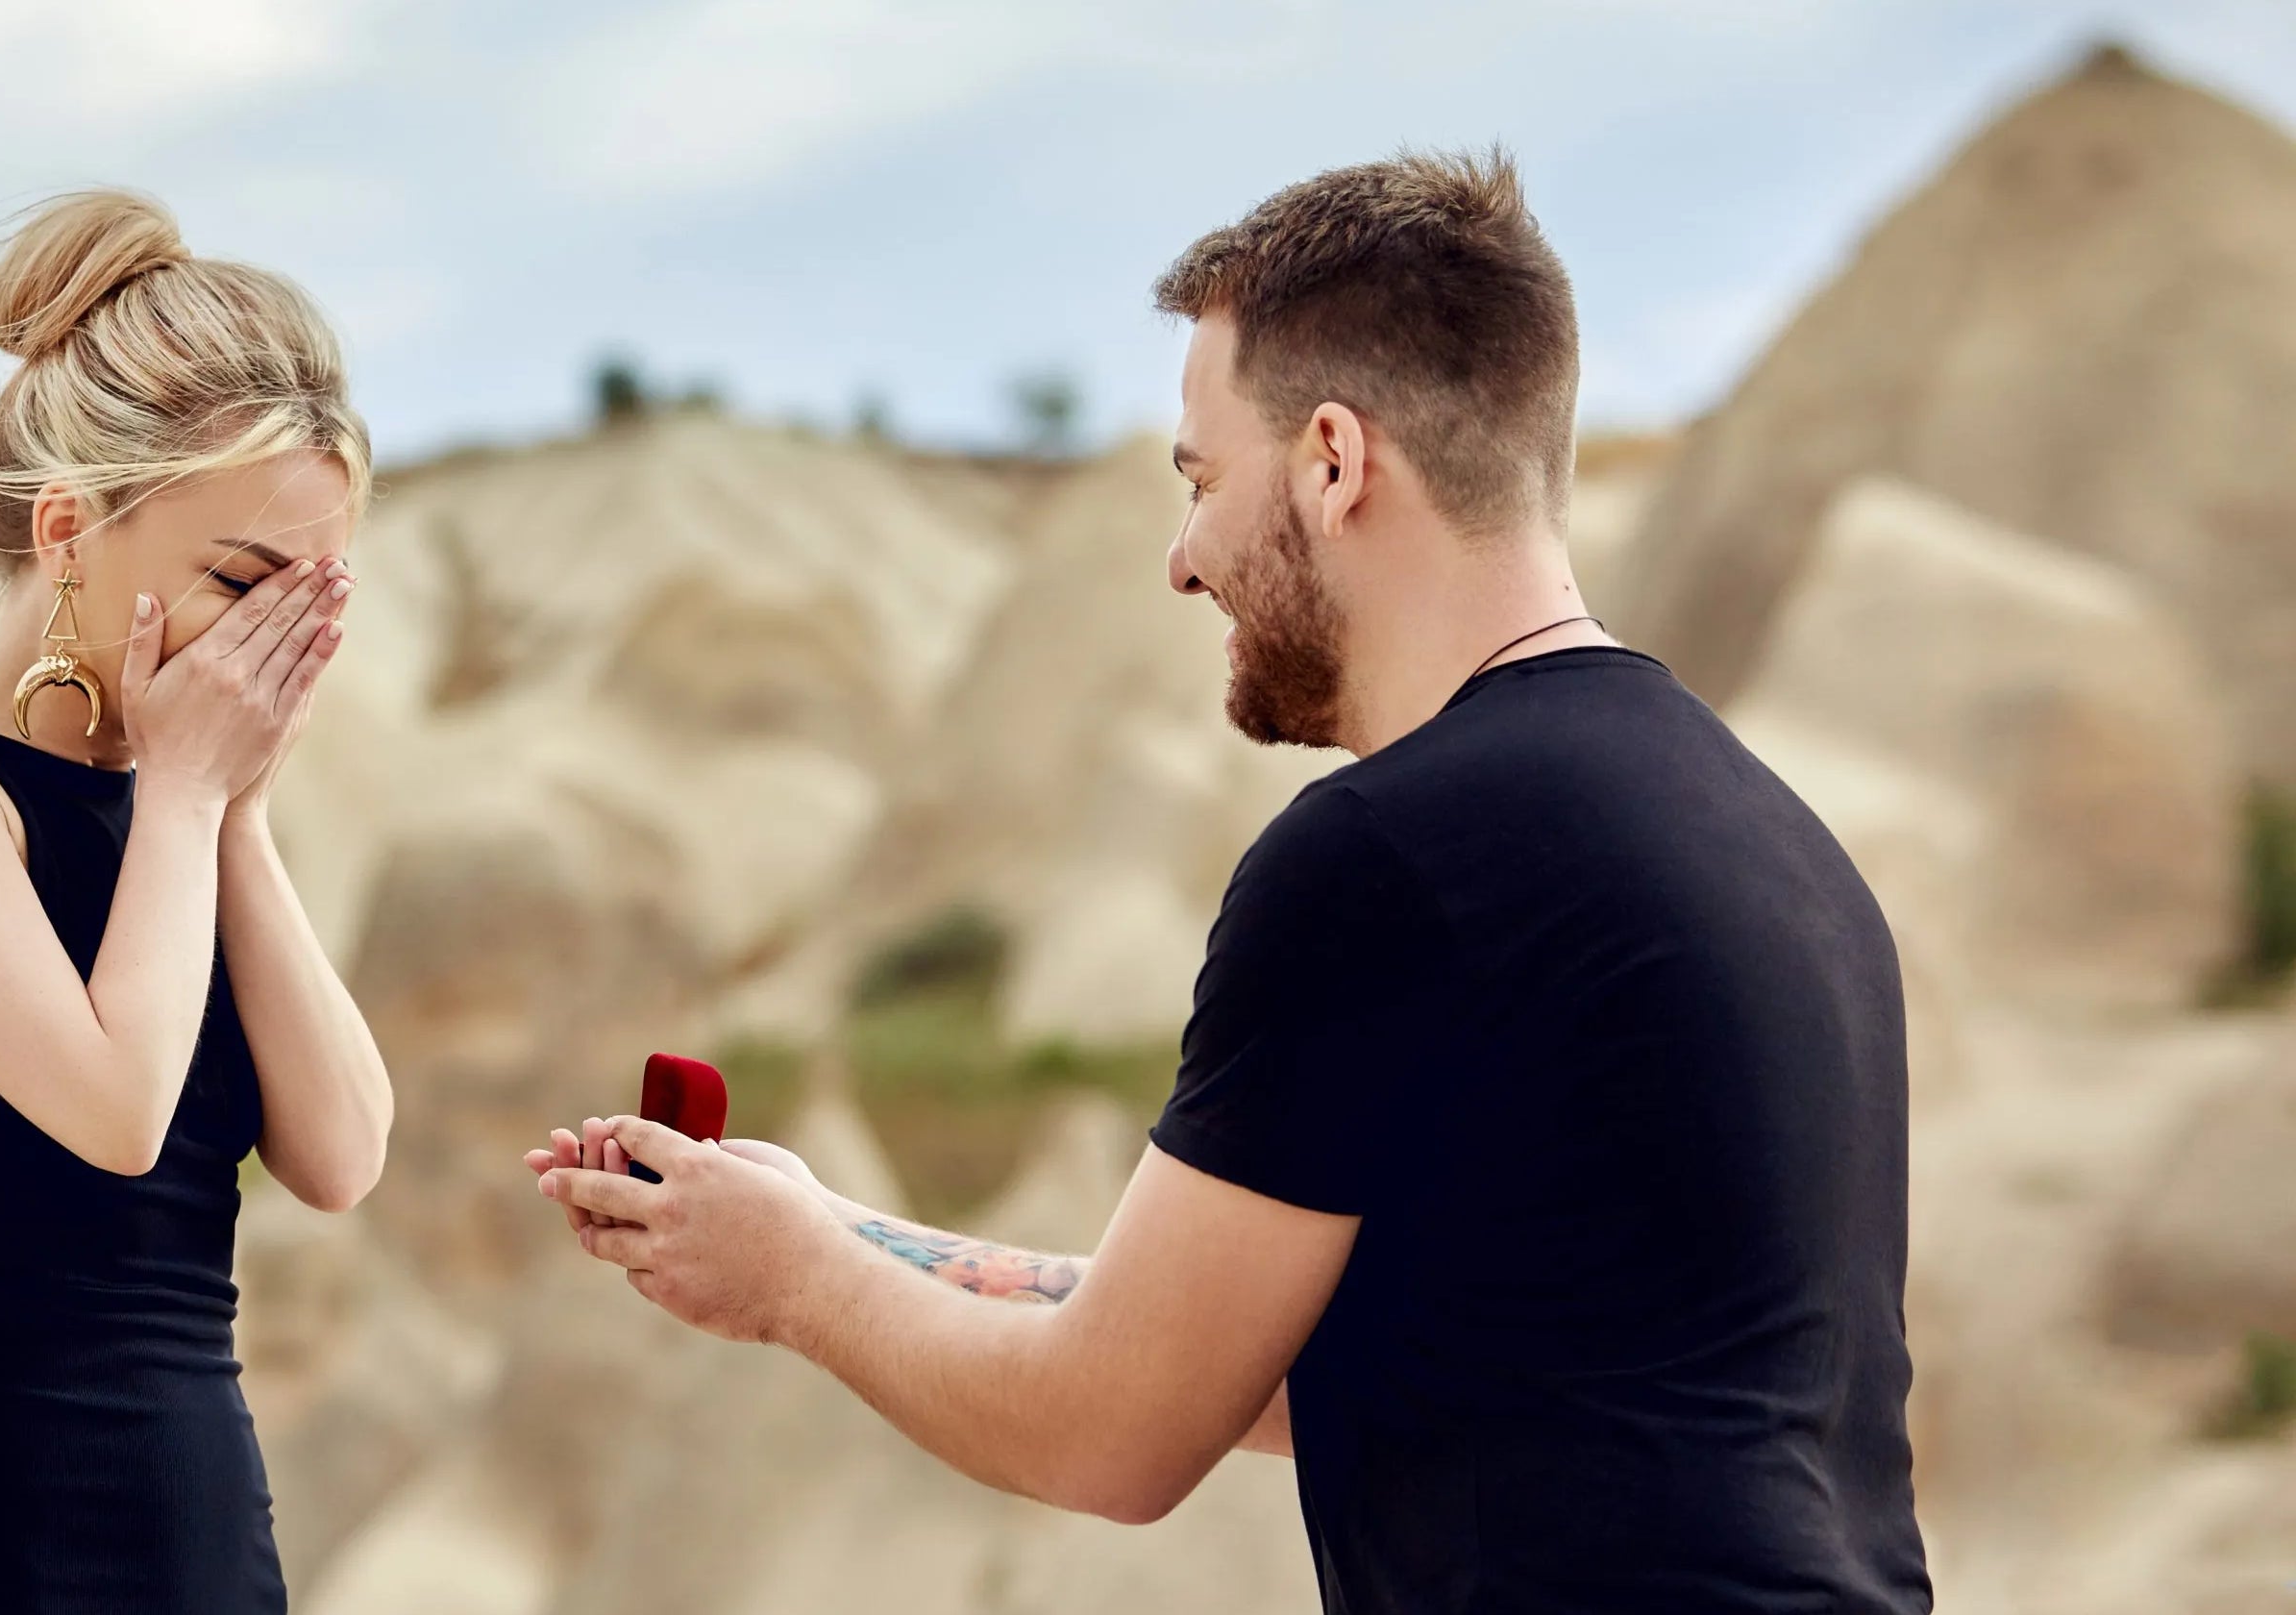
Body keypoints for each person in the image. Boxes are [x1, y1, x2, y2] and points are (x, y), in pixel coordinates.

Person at [531, 149, 1932, 1614]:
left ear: (1334, 461)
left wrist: (798, 1290)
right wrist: (833, 1227)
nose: (1183, 561)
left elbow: (1109, 1433)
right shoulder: (1772, 843)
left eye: (1201, 480)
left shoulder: (1390, 855)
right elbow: (1277, 1367)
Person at [0, 187, 391, 1612]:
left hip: (209, 1558)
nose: (264, 640)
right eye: (238, 581)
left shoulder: (188, 815)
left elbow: (343, 1153)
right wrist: (185, 796)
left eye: (305, 599)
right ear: (67, 532)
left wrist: (233, 806)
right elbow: (117, 1118)